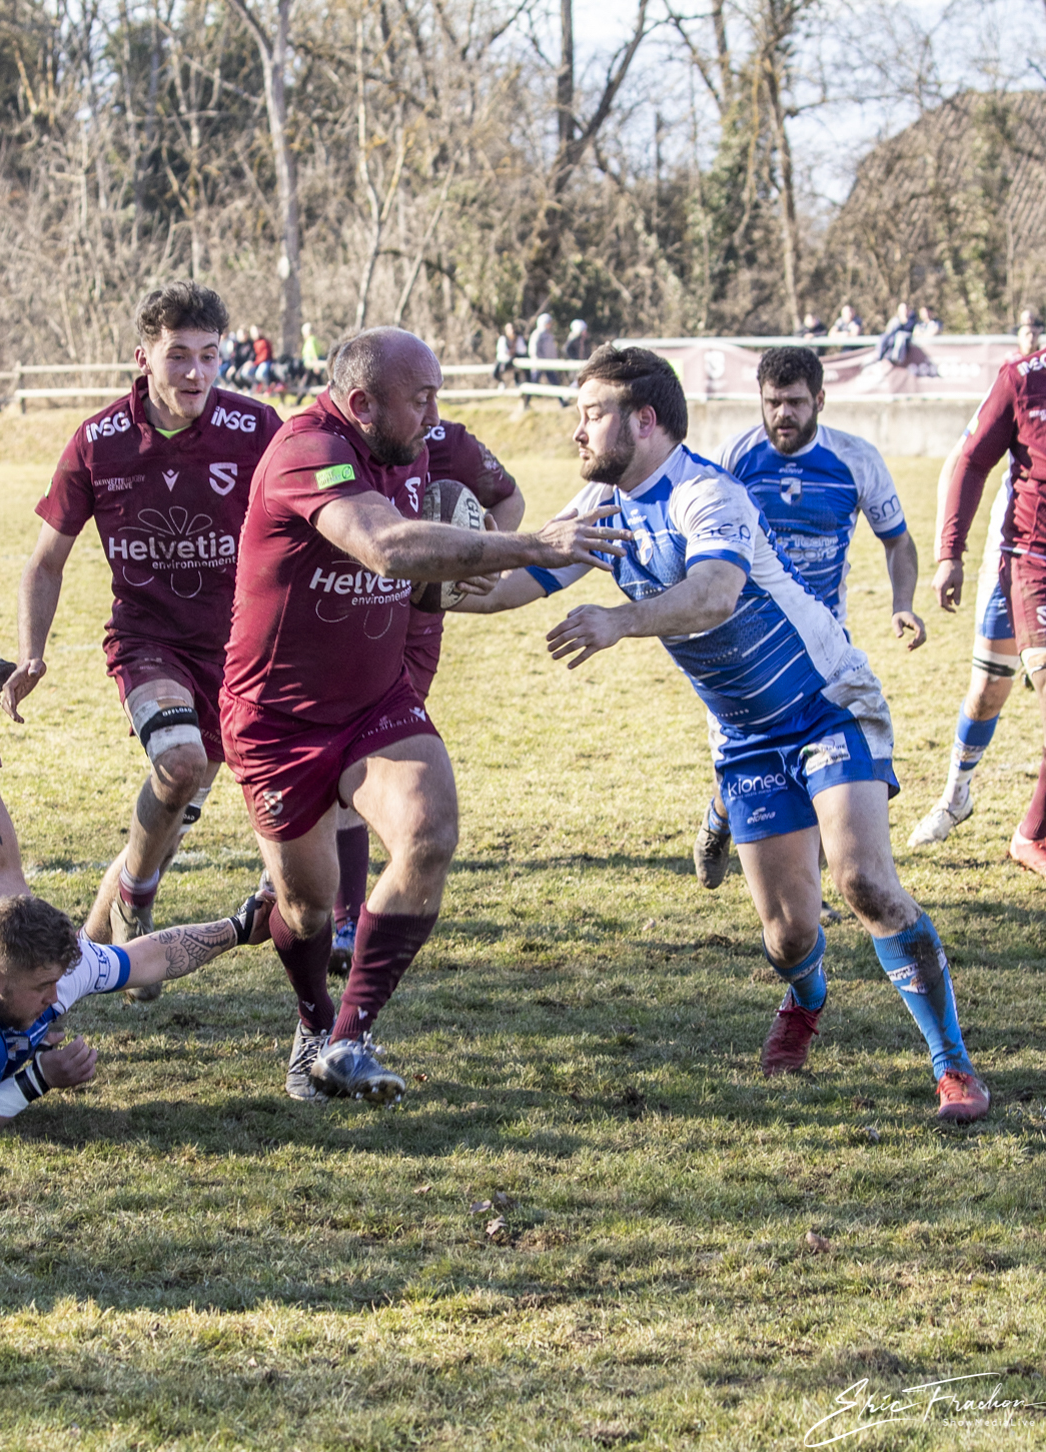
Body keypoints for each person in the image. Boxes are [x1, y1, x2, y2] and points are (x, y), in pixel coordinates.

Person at [455, 345, 989, 1122]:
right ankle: (806, 998)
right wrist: (423, 587)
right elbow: (508, 586)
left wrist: (619, 620)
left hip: (826, 702)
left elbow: (713, 593)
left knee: (864, 883)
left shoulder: (707, 493)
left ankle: (953, 1068)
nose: (577, 432)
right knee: (787, 936)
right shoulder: (600, 508)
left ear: (644, 420)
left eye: (592, 414)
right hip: (742, 737)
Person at [219, 324, 622, 1105]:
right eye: (421, 400)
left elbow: (486, 507)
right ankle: (313, 1019)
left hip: (376, 695)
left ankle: (348, 1040)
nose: (435, 417)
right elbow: (386, 546)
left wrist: (475, 557)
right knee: (305, 908)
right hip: (278, 717)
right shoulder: (305, 450)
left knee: (429, 835)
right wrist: (531, 546)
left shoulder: (423, 443)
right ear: (361, 404)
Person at [0, 281, 281, 999]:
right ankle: (139, 896)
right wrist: (32, 653)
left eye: (210, 355)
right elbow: (45, 561)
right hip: (147, 641)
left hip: (240, 650)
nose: (196, 372)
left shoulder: (257, 429)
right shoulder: (99, 441)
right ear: (144, 357)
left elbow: (317, 513)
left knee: (166, 825)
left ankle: (85, 966)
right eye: (178, 355)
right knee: (178, 763)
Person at [0, 666, 273, 1136]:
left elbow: (147, 957)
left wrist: (239, 928)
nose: (57, 997)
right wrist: (36, 1079)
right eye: (43, 986)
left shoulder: (42, 968)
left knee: (2, 886)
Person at [694, 345, 926, 887]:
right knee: (749, 762)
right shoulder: (734, 460)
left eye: (796, 402)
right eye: (772, 402)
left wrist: (903, 604)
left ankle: (809, 894)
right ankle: (719, 816)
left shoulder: (856, 460)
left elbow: (898, 541)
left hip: (825, 646)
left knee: (821, 764)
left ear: (820, 399)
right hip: (747, 645)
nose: (783, 414)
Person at [330, 416, 525, 974]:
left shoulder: (450, 443)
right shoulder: (329, 445)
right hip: (343, 616)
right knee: (340, 761)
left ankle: (345, 917)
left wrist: (482, 556)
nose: (427, 410)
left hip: (415, 630)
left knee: (369, 758)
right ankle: (337, 906)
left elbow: (509, 500)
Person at [936, 313, 1046, 875]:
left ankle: (1030, 833)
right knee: (986, 691)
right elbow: (969, 461)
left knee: (993, 688)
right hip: (1027, 560)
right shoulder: (1022, 379)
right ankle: (960, 794)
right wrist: (949, 553)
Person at [528, 314, 559, 384]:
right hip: (539, 362)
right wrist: (537, 359)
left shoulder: (549, 335)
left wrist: (554, 358)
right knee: (534, 381)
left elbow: (552, 349)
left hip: (548, 363)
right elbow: (533, 349)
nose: (550, 324)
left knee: (554, 382)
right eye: (549, 322)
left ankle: (559, 392)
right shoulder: (537, 334)